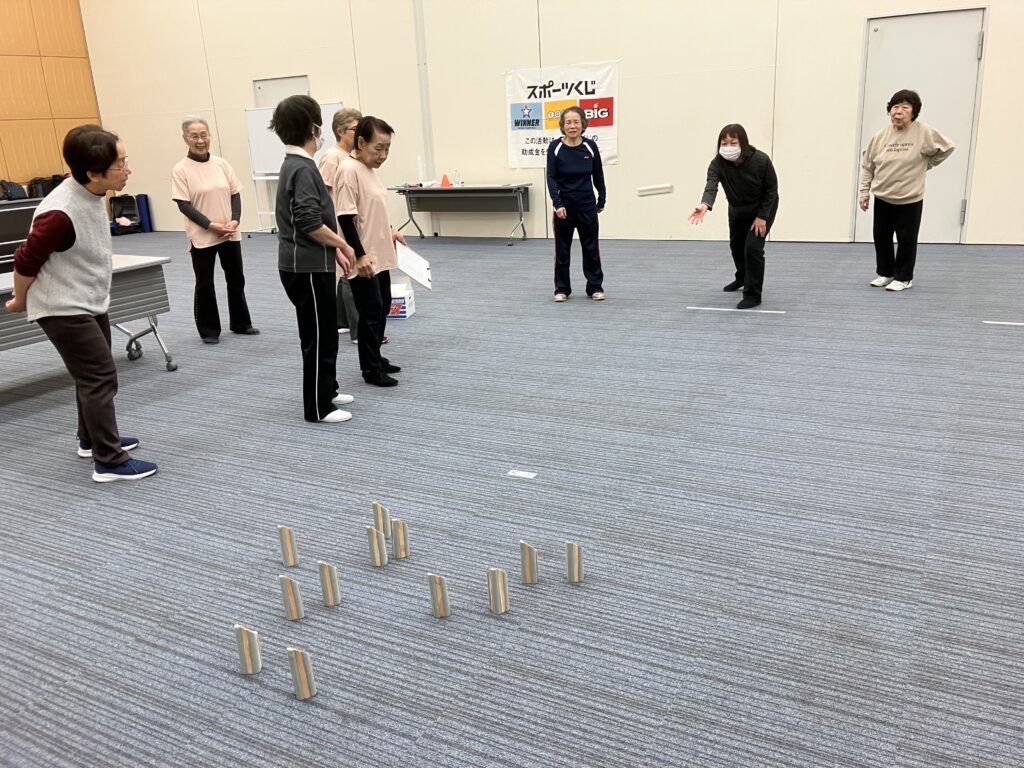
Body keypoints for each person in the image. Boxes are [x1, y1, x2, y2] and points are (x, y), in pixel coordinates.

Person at [5, 125, 158, 482]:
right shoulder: (59, 212)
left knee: (89, 374)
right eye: (120, 164)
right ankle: (109, 461)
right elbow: (25, 259)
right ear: (93, 173)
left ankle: (91, 439)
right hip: (62, 305)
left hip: (86, 298)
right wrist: (20, 299)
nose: (128, 169)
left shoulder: (88, 191)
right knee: (100, 376)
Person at [270, 95, 357, 423]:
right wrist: (343, 245)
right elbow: (308, 222)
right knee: (317, 335)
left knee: (326, 332)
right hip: (304, 266)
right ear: (313, 128)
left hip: (311, 262)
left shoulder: (299, 164)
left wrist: (334, 249)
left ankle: (328, 389)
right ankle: (318, 408)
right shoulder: (302, 168)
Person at [171, 116, 258, 343]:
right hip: (202, 236)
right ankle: (209, 331)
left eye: (204, 135)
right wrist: (210, 225)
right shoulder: (181, 169)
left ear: (210, 136)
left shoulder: (222, 164)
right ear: (185, 138)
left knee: (236, 278)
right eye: (194, 136)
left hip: (229, 232)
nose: (200, 140)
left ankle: (241, 323)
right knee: (205, 283)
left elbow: (235, 194)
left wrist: (235, 221)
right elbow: (184, 205)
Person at [859, 89, 954, 292]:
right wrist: (864, 192)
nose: (898, 111)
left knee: (906, 239)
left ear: (913, 112)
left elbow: (947, 148)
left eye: (905, 107)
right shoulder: (880, 136)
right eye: (895, 107)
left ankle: (904, 277)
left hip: (909, 198)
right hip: (883, 196)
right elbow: (868, 166)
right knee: (881, 237)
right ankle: (886, 273)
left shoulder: (924, 132)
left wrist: (926, 164)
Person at [336, 116, 405, 387]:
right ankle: (370, 368)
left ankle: (376, 356)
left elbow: (373, 209)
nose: (383, 155)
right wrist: (360, 255)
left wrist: (391, 230)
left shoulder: (369, 169)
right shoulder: (348, 170)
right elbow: (345, 217)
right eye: (379, 148)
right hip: (364, 255)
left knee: (383, 304)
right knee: (371, 310)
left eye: (387, 149)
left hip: (380, 251)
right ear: (361, 142)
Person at [688, 123, 779, 310]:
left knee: (752, 248)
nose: (728, 147)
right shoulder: (717, 164)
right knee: (736, 247)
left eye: (733, 142)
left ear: (743, 143)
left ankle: (753, 295)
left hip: (762, 209)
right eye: (724, 143)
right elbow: (711, 186)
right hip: (737, 209)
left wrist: (762, 217)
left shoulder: (761, 160)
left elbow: (771, 190)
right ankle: (742, 277)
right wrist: (704, 205)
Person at [316, 106, 367, 345]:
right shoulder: (332, 157)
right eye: (355, 129)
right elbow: (322, 195)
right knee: (350, 273)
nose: (359, 134)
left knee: (345, 271)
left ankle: (341, 321)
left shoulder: (351, 156)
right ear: (340, 131)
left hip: (349, 219)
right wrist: (329, 229)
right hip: (339, 222)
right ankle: (359, 330)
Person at [546, 106, 606, 302]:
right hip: (564, 208)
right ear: (562, 126)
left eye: (576, 122)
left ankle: (595, 287)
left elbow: (598, 174)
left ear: (583, 124)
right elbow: (551, 177)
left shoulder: (590, 146)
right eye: (568, 122)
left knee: (591, 248)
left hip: (587, 206)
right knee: (562, 250)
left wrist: (602, 199)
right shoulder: (555, 147)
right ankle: (562, 289)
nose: (572, 126)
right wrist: (557, 204)